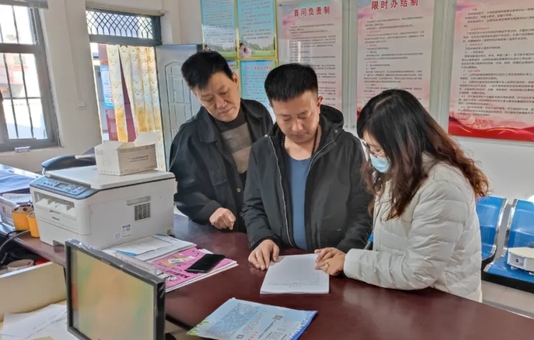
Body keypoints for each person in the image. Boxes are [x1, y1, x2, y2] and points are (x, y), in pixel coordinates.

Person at [316, 89, 489, 301]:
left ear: (404, 144)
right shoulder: (401, 170)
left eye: (378, 149)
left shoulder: (442, 186)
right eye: (369, 147)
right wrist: (348, 257)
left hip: (443, 302)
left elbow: (418, 271)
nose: (373, 156)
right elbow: (393, 244)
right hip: (408, 294)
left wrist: (350, 262)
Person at [242, 63, 372, 270]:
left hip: (333, 261)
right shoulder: (263, 152)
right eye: (285, 118)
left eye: (304, 115)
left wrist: (346, 249)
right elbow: (252, 206)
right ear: (273, 109)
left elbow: (364, 209)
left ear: (318, 104)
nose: (297, 127)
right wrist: (262, 238)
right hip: (281, 261)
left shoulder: (347, 147)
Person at [169, 51, 273, 231]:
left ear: (235, 80)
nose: (220, 104)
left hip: (265, 222)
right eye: (208, 99)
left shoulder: (259, 114)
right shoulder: (189, 137)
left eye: (224, 92)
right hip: (224, 232)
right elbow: (181, 191)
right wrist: (210, 210)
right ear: (196, 96)